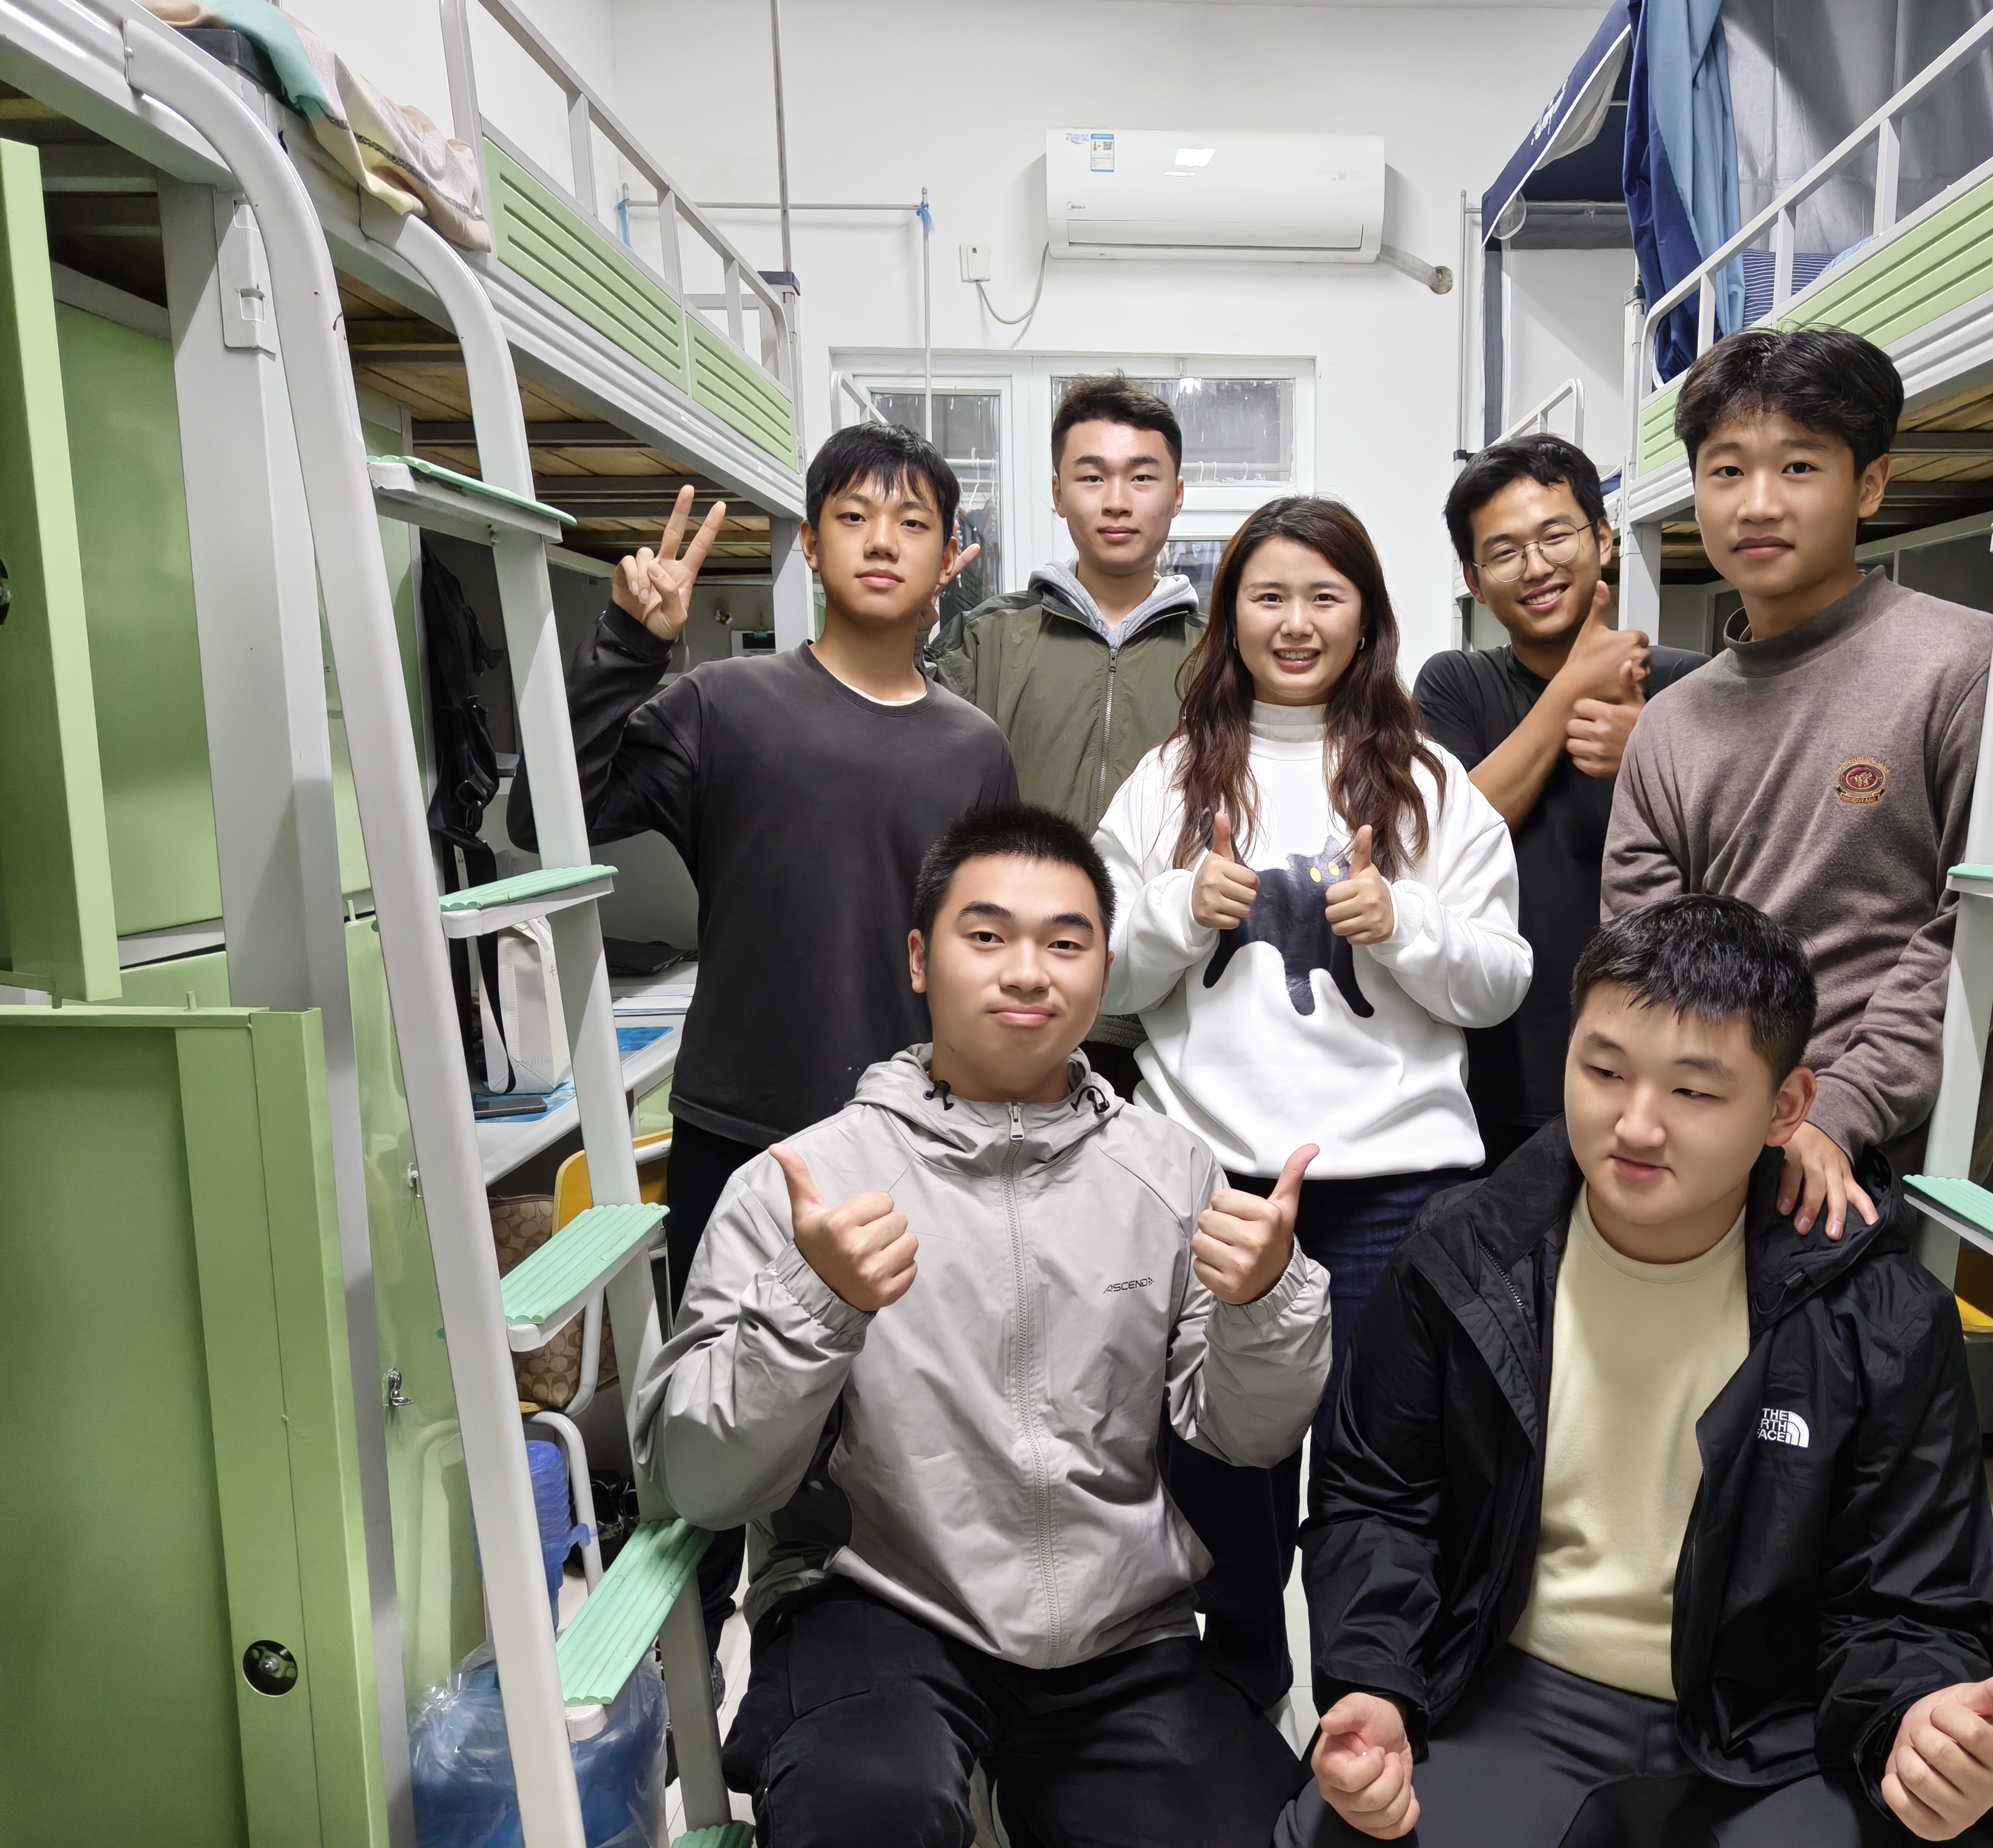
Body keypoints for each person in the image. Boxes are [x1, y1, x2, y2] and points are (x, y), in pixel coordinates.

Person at [638, 804, 1329, 1848]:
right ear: (921, 960)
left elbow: (1249, 1434)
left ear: (1105, 970)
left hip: (1117, 1626)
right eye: (988, 935)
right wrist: (816, 1304)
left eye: (1066, 943)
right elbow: (698, 1480)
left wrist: (1266, 1301)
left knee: (1268, 1829)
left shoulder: (1171, 1170)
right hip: (872, 1603)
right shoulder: (806, 1182)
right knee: (867, 1809)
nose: (1027, 972)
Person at [1284, 896, 1993, 1848]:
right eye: (1603, 1071)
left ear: (1786, 1107)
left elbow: (1910, 1602)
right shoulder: (1462, 1258)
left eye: (1694, 1093)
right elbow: (1378, 1501)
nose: (1636, 1125)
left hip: (1773, 1724)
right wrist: (1376, 1683)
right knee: (1333, 1828)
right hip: (1513, 1687)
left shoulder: (1881, 1319)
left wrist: (1917, 1721)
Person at [514, 424, 1017, 1654]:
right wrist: (628, 642)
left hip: (910, 1152)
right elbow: (546, 814)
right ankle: (685, 1701)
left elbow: (988, 957)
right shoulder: (722, 705)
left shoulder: (974, 749)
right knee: (706, 1445)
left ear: (949, 560)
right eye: (853, 517)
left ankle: (849, 1687)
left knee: (893, 1449)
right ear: (809, 547)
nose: (882, 541)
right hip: (738, 1140)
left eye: (912, 522)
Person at [1094, 494, 1530, 1709]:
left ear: (1366, 617)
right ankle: (1240, 1709)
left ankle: (1367, 1712)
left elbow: (1501, 982)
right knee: (1219, 1469)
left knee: (1378, 1476)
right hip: (1210, 1184)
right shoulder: (1168, 778)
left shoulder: (1431, 782)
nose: (1295, 623)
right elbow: (1097, 975)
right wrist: (1181, 909)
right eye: (1269, 596)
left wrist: (1402, 925)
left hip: (1394, 1188)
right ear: (1229, 615)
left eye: (1323, 596)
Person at [1601, 327, 1993, 1242]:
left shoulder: (1970, 668)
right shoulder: (1670, 723)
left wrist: (1839, 1107)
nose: (1758, 503)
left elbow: (1990, 928)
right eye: (1727, 470)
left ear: (1871, 484)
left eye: (1799, 466)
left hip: (1877, 1158)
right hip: (1705, 1148)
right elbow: (1641, 953)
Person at [1416, 434, 1709, 1169]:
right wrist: (1573, 687)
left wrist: (1649, 751)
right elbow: (1451, 832)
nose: (1536, 566)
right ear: (1474, 581)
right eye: (1504, 552)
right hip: (1492, 1062)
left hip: (1657, 1066)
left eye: (1555, 535)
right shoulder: (1456, 684)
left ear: (1602, 539)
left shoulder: (1691, 685)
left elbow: (1743, 852)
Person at [930, 374, 1206, 1097]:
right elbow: (900, 766)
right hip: (1009, 1001)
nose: (1116, 500)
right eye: (1091, 476)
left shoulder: (1224, 656)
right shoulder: (988, 640)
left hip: (1172, 1017)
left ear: (1177, 494)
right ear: (1057, 493)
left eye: (1142, 477)